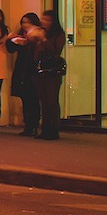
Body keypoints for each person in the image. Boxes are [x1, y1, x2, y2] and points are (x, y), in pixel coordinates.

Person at [33, 9, 67, 140]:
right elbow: (35, 53)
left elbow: (55, 50)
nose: (44, 22)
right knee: (44, 101)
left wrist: (44, 39)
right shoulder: (40, 32)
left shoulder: (58, 34)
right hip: (39, 70)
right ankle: (45, 129)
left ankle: (54, 129)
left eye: (47, 20)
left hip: (53, 70)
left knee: (52, 100)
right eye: (43, 19)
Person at [7, 12, 42, 136]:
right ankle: (28, 125)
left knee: (33, 98)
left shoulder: (38, 34)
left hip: (33, 70)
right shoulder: (20, 35)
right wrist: (10, 40)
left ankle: (34, 125)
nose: (25, 25)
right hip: (22, 70)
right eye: (23, 22)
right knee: (25, 98)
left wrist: (29, 42)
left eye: (28, 22)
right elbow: (10, 50)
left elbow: (40, 51)